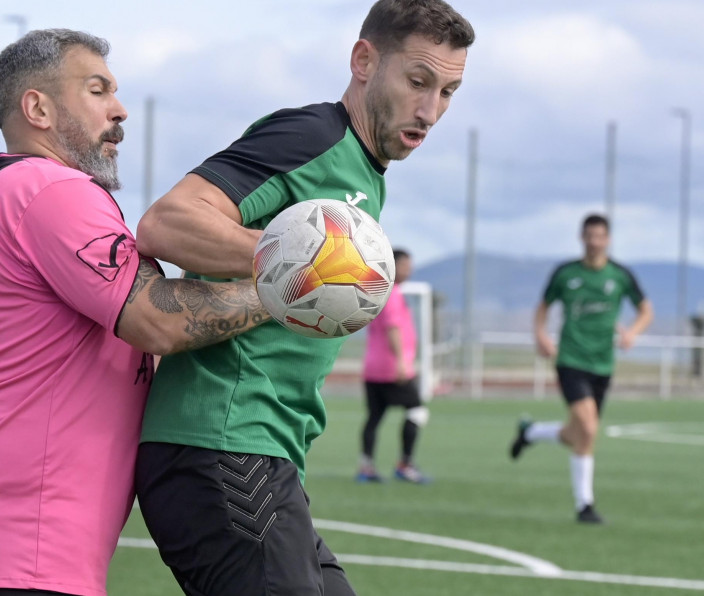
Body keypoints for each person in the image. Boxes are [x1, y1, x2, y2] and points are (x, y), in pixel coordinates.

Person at [133, 2, 474, 594]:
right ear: (364, 61)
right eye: (418, 82)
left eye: (448, 91)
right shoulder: (313, 136)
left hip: (266, 456)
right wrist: (310, 261)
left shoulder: (365, 175)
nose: (431, 110)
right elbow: (168, 223)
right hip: (220, 445)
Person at [0, 29, 270, 596]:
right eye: (98, 90)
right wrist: (289, 291)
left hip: (7, 525)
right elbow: (159, 320)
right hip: (23, 531)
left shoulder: (11, 191)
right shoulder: (49, 189)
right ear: (38, 108)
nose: (120, 109)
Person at [510, 214, 653, 524]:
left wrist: (632, 332)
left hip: (603, 364)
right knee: (588, 429)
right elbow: (543, 306)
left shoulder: (620, 275)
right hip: (571, 360)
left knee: (577, 434)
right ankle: (584, 505)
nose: (594, 241)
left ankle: (531, 433)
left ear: (608, 239)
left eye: (599, 236)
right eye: (589, 235)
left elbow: (645, 309)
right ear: (581, 237)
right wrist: (541, 335)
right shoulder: (566, 274)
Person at [356, 248, 431, 484]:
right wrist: (401, 362)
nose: (410, 270)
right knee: (417, 410)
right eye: (406, 266)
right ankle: (405, 465)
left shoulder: (378, 291)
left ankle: (366, 467)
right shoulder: (392, 293)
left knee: (374, 417)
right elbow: (393, 328)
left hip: (372, 368)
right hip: (391, 369)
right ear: (393, 266)